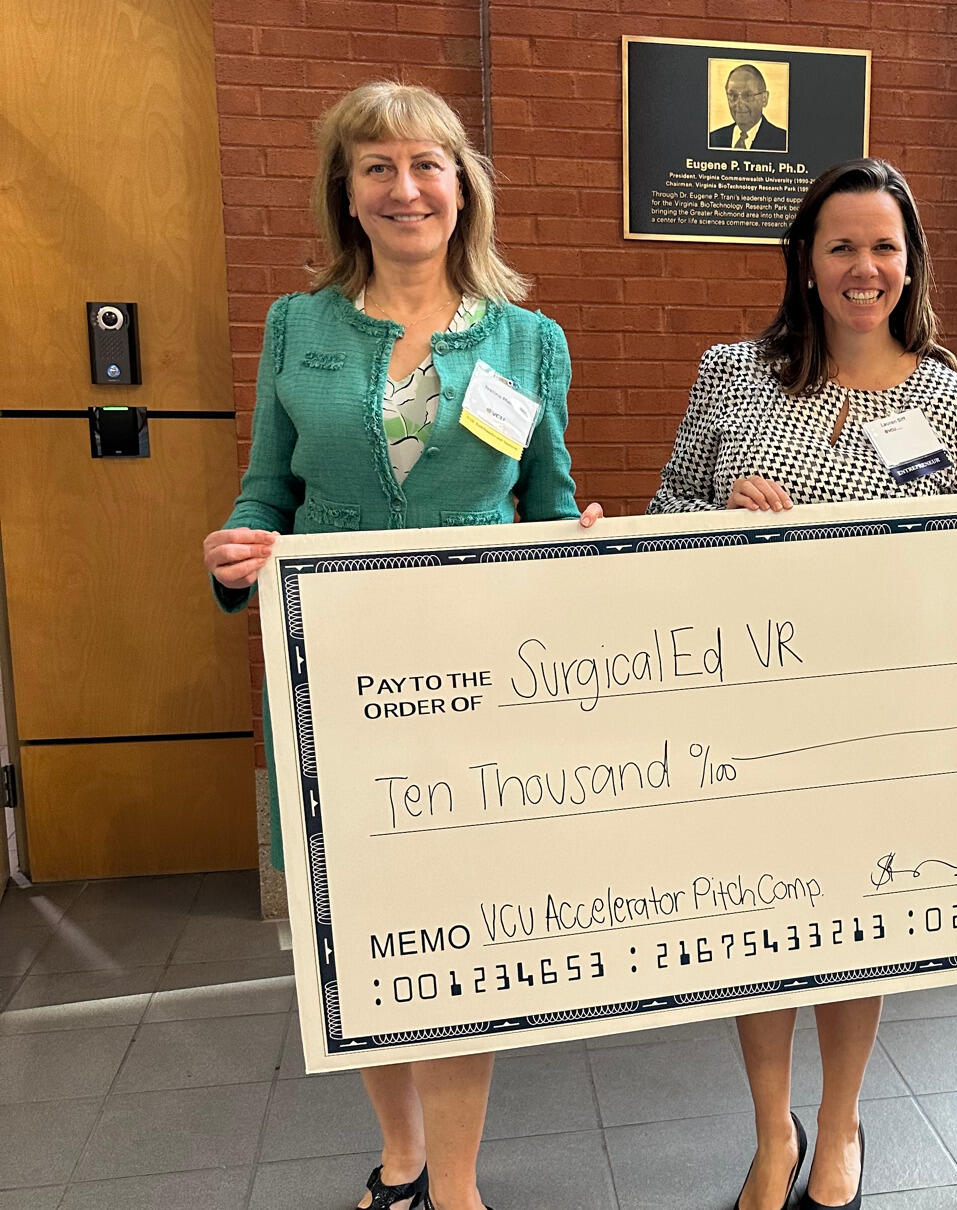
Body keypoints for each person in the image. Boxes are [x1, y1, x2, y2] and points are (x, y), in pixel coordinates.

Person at [201, 81, 600, 1210]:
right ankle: (403, 1159)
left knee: (459, 936)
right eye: (376, 165)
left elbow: (549, 505)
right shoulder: (299, 325)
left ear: (462, 183)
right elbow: (268, 488)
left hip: (477, 672)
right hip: (335, 669)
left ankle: (459, 1185)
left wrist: (581, 550)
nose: (405, 186)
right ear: (347, 191)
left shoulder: (528, 339)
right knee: (370, 928)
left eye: (427, 163)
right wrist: (238, 553)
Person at [650, 158, 957, 1210]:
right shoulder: (732, 372)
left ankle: (840, 1119)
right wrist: (720, 516)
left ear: (911, 263)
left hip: (876, 710)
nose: (864, 266)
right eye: (842, 245)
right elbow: (664, 510)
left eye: (884, 246)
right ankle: (772, 1130)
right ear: (806, 262)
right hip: (747, 704)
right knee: (756, 921)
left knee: (861, 919)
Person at [709, 64, 787, 152]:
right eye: (733, 95)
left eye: (747, 95)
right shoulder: (713, 139)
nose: (739, 103)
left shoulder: (783, 141)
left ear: (764, 99)